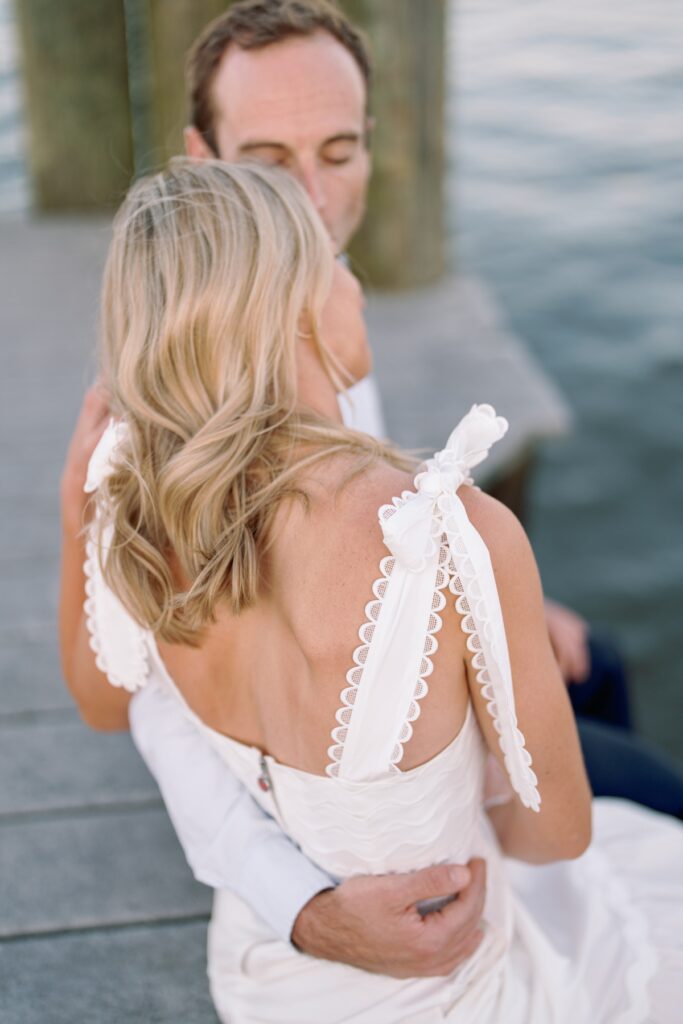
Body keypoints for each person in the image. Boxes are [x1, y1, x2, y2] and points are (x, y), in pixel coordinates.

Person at [62, 0, 683, 979]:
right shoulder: (164, 415)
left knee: (593, 662)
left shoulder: (310, 304)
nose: (311, 197)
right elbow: (138, 696)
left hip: (379, 683)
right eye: (269, 162)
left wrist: (501, 610)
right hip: (358, 803)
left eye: (338, 152)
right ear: (201, 160)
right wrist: (298, 903)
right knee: (651, 797)